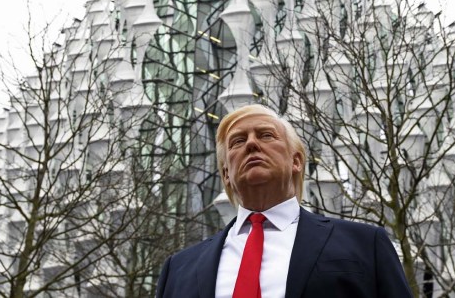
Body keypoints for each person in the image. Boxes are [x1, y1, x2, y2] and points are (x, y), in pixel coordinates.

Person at [155, 104, 413, 298]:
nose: (252, 144)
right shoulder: (178, 269)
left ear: (296, 161)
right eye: (238, 141)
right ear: (226, 174)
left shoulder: (366, 245)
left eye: (266, 135)